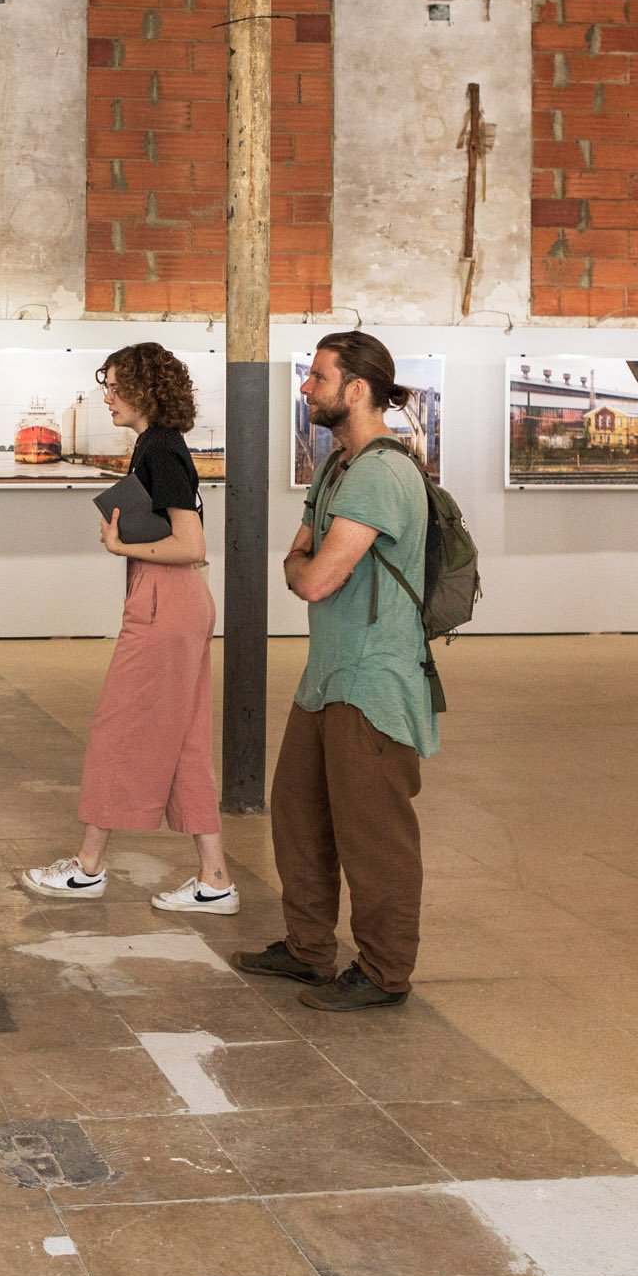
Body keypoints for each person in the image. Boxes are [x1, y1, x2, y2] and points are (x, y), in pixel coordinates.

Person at [234, 330, 437, 1012]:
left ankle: (384, 972)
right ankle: (308, 948)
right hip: (327, 677)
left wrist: (301, 569)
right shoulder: (336, 468)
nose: (305, 388)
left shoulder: (382, 472)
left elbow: (314, 575)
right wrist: (300, 566)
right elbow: (298, 556)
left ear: (355, 389)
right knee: (299, 815)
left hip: (372, 684)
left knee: (373, 836)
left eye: (316, 378)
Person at [24, 342, 234, 914]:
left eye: (115, 385)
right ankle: (215, 879)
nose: (107, 395)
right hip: (180, 602)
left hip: (166, 602)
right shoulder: (159, 444)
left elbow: (191, 545)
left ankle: (89, 869)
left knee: (119, 729)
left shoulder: (161, 448)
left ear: (145, 389)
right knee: (188, 742)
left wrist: (119, 543)